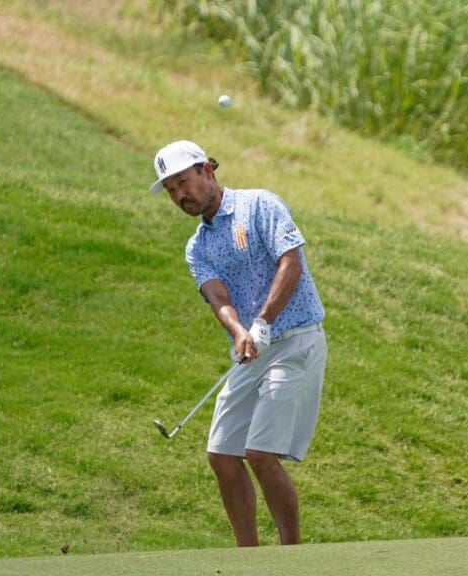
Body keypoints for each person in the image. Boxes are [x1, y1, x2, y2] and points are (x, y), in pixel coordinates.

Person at [150, 140, 327, 546]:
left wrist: (263, 321)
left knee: (260, 453)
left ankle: (292, 556)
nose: (179, 195)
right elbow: (219, 298)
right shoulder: (197, 246)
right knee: (222, 455)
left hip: (296, 340)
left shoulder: (260, 205)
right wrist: (240, 331)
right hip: (252, 351)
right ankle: (249, 558)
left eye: (183, 182)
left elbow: (291, 262)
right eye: (171, 189)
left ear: (207, 171)